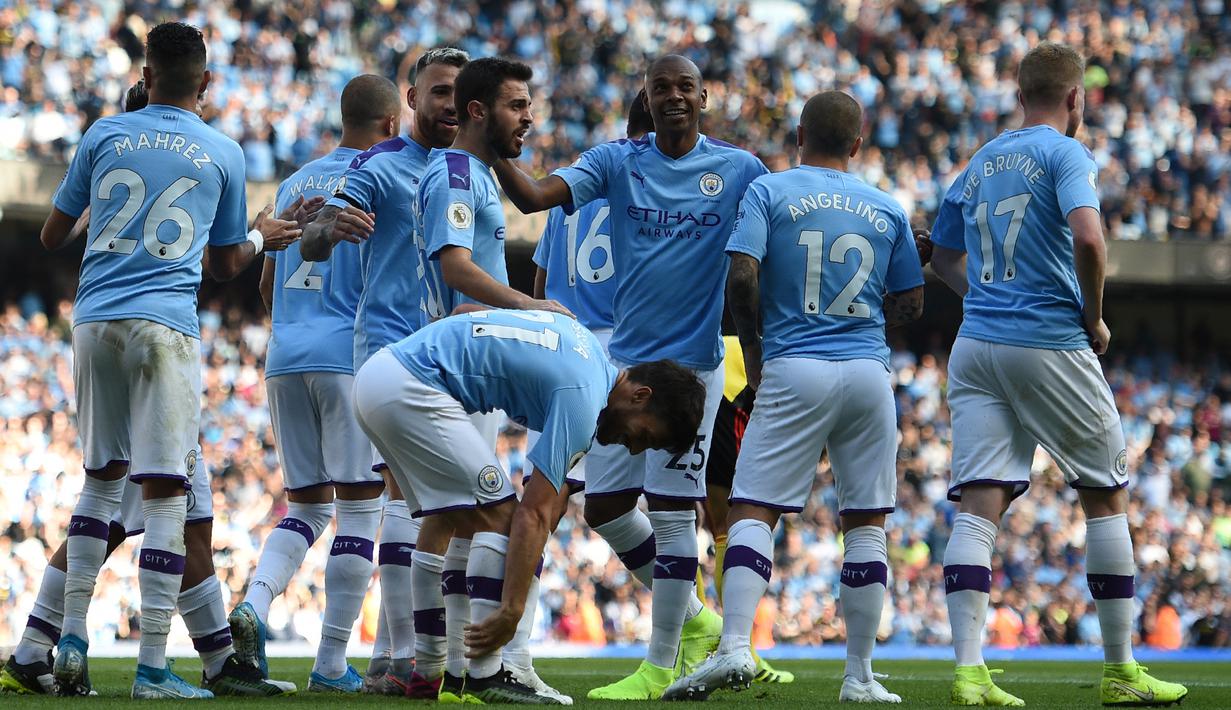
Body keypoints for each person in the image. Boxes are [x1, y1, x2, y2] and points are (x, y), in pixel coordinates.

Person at [36, 22, 300, 699]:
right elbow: (225, 262)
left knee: (100, 481)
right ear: (207, 82)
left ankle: (67, 643)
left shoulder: (103, 135)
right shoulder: (221, 150)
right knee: (165, 495)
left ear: (145, 75)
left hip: (93, 321)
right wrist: (262, 235)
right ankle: (154, 668)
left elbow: (51, 233)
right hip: (165, 326)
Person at [493, 54, 768, 700]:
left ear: (704, 96)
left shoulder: (739, 170)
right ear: (647, 98)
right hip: (622, 369)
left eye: (683, 87)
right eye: (659, 87)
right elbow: (534, 198)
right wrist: (487, 147)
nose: (672, 97)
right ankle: (696, 621)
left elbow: (773, 246)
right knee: (607, 504)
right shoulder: (617, 163)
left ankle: (659, 664)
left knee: (674, 513)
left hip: (691, 369)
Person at [928, 42, 1187, 707]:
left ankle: (966, 672)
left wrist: (985, 298)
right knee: (1104, 493)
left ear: (1020, 95)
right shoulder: (1064, 152)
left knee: (978, 501)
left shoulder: (981, 159)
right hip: (1046, 339)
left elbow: (943, 256)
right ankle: (1121, 671)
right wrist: (1094, 319)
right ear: (1075, 98)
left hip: (975, 345)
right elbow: (1090, 238)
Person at [664, 90, 925, 703]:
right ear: (858, 145)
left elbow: (743, 275)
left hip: (793, 364)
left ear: (799, 135)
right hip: (866, 371)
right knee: (866, 523)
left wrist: (754, 351)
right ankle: (859, 676)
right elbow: (911, 302)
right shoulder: (887, 208)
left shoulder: (770, 191)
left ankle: (734, 648)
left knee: (753, 509)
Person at [353, 309, 705, 704]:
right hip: (410, 388)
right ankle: (486, 675)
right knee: (502, 521)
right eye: (646, 436)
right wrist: (511, 610)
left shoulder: (584, 345)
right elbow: (533, 514)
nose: (635, 447)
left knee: (454, 522)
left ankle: (437, 674)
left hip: (381, 376)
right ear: (641, 396)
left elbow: (464, 313)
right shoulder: (584, 400)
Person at [298, 46, 469, 698]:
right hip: (389, 348)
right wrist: (326, 227)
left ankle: (393, 655)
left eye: (458, 91)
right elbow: (313, 243)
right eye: (437, 91)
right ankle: (404, 659)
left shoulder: (469, 172)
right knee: (404, 493)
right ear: (413, 98)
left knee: (430, 502)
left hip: (451, 352)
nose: (448, 102)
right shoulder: (379, 165)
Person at [226, 74, 402, 694]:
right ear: (389, 124)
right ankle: (330, 664)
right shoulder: (385, 176)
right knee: (360, 506)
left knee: (305, 506)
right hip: (349, 356)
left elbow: (269, 288)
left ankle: (255, 602)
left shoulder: (296, 182)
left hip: (285, 356)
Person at [413, 56, 570, 704]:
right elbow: (454, 270)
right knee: (495, 518)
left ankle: (447, 671)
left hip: (460, 370)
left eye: (529, 106)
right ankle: (475, 670)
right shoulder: (455, 172)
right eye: (516, 106)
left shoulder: (474, 174)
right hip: (451, 369)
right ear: (478, 112)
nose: (528, 118)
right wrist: (531, 307)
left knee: (458, 522)